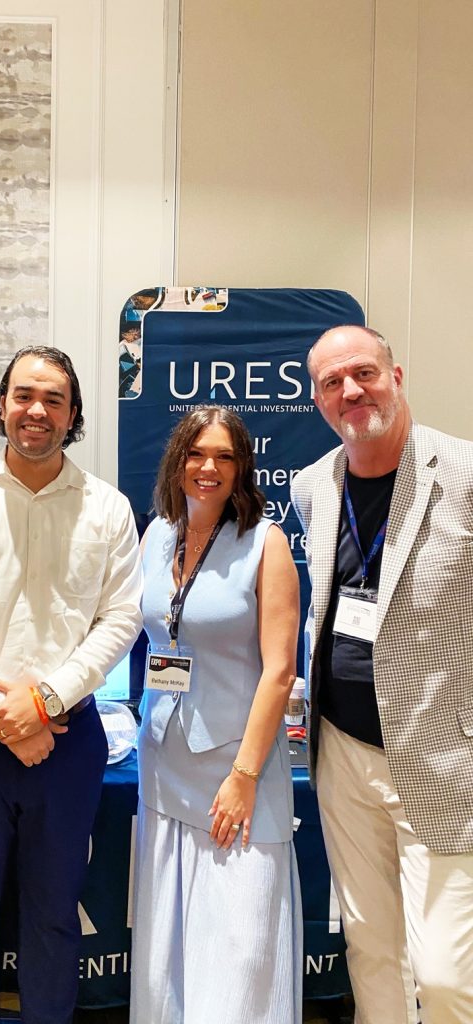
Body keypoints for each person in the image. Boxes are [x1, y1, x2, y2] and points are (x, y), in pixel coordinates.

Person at [0, 345, 143, 1024]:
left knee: (54, 914)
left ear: (72, 415)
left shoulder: (107, 508)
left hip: (67, 737)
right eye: (23, 395)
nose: (36, 411)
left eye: (53, 399)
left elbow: (120, 618)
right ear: (3, 404)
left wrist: (43, 702)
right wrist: (4, 713)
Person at [291, 324, 473, 1024]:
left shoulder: (462, 473)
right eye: (332, 382)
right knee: (371, 951)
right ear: (317, 399)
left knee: (447, 976)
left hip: (443, 755)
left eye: (363, 373)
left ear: (395, 377)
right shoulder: (314, 486)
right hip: (343, 751)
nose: (350, 391)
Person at [131, 406, 302, 1024]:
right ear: (177, 461)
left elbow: (279, 672)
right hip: (163, 764)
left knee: (238, 952)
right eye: (197, 453)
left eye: (224, 456)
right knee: (168, 956)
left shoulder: (265, 544)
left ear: (242, 468)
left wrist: (244, 777)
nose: (208, 467)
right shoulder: (157, 535)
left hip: (236, 773)